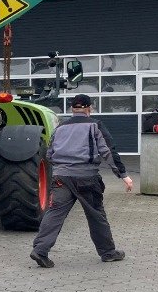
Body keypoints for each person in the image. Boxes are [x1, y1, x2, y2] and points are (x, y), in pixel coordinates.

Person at [30, 94, 134, 268]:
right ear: (88, 108)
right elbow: (108, 151)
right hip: (86, 178)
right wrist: (123, 175)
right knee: (96, 215)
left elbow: (49, 154)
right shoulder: (95, 125)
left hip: (61, 178)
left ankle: (40, 250)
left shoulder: (60, 128)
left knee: (54, 213)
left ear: (72, 108)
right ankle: (108, 252)